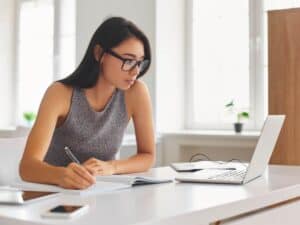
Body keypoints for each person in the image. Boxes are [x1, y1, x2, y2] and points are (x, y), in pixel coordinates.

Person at [19, 17, 155, 190]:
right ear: (99, 53)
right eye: (128, 61)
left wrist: (112, 167)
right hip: (52, 197)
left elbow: (148, 155)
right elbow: (27, 167)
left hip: (100, 194)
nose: (136, 71)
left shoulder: (136, 92)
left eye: (139, 62)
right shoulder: (60, 93)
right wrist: (62, 175)